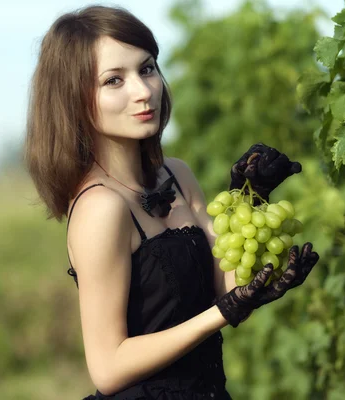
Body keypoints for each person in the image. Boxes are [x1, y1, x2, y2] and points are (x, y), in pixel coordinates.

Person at [24, 5, 319, 400]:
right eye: (114, 80)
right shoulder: (101, 208)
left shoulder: (177, 176)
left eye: (146, 69)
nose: (143, 91)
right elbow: (108, 368)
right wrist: (219, 315)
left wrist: (252, 199)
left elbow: (228, 294)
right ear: (73, 99)